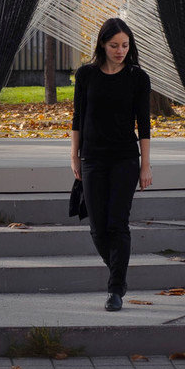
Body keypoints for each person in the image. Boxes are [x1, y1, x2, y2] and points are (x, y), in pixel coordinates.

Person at [70, 17, 153, 311]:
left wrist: (145, 165)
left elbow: (144, 124)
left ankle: (115, 289)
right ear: (102, 45)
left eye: (125, 45)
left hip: (125, 159)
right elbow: (78, 117)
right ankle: (119, 273)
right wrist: (74, 155)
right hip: (92, 158)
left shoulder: (138, 78)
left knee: (117, 223)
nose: (120, 50)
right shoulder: (86, 75)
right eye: (114, 45)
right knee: (97, 228)